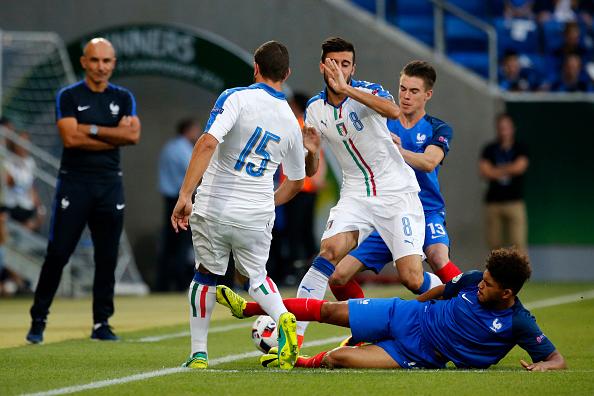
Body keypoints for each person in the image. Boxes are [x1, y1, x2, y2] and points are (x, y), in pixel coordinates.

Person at [170, 40, 306, 370]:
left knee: (206, 275)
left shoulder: (236, 98)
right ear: (286, 74)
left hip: (215, 205)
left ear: (256, 68)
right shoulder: (291, 121)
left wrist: (185, 195)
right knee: (256, 277)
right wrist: (266, 203)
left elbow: (207, 142)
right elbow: (297, 181)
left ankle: (199, 353)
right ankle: (282, 316)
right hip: (256, 212)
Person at [216, 248, 567, 371]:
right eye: (483, 278)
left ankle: (294, 359)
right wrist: (416, 305)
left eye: (489, 285)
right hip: (406, 315)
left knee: (339, 360)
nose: (480, 284)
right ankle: (248, 308)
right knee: (331, 311)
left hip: (417, 352)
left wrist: (543, 367)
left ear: (507, 293)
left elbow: (557, 360)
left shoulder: (518, 322)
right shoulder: (473, 280)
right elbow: (446, 287)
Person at [295, 37, 426, 346]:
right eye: (333, 63)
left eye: (345, 64)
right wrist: (312, 151)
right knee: (328, 253)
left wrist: (347, 89)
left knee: (412, 278)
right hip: (355, 194)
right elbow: (311, 170)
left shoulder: (368, 91)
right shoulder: (314, 109)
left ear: (353, 68)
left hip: (395, 192)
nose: (339, 69)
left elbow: (394, 112)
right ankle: (293, 340)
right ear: (321, 66)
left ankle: (455, 298)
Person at [26, 38, 141, 343]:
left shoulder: (124, 97)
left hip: (109, 184)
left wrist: (89, 128)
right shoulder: (68, 96)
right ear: (83, 63)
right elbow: (70, 139)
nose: (100, 67)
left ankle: (101, 323)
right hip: (75, 183)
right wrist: (113, 135)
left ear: (113, 63)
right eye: (95, 60)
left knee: (106, 257)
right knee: (59, 253)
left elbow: (133, 136)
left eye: (106, 61)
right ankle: (38, 319)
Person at [329, 61, 462, 303]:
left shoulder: (438, 127)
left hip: (426, 210)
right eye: (402, 89)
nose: (406, 96)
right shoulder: (382, 122)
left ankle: (473, 307)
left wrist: (396, 150)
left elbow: (429, 162)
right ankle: (365, 329)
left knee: (437, 258)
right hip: (387, 210)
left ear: (427, 94)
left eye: (414, 91)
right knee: (338, 277)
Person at [156, 118, 202, 291]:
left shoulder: (169, 147)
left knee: (170, 243)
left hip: (169, 198)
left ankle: (164, 283)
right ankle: (181, 282)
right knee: (182, 243)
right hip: (181, 199)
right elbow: (195, 171)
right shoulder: (184, 149)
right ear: (189, 130)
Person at [479, 113, 529, 253]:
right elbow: (485, 171)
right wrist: (509, 169)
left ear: (513, 128)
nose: (504, 131)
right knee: (494, 244)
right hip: (493, 202)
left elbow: (520, 167)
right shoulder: (489, 149)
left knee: (518, 243)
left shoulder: (520, 147)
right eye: (501, 128)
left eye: (507, 127)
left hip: (515, 201)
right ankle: (495, 275)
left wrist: (497, 170)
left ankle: (520, 275)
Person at [3, 132, 46, 231]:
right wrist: (17, 167)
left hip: (26, 206)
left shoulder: (31, 162)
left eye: (26, 142)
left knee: (36, 220)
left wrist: (40, 207)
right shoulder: (8, 159)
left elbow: (31, 187)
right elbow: (9, 183)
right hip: (11, 204)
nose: (22, 145)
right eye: (20, 141)